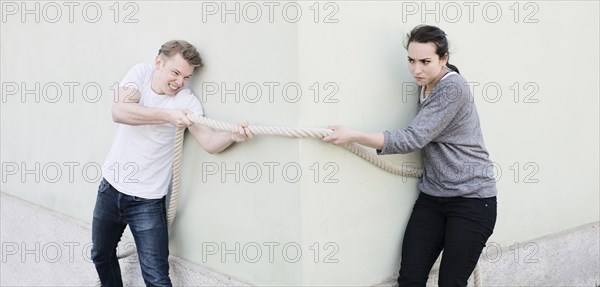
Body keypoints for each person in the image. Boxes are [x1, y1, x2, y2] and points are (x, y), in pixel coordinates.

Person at [322, 25, 497, 286]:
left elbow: (413, 138)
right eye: (411, 60)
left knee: (450, 282)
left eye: (425, 61)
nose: (416, 70)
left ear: (444, 59)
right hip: (433, 197)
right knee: (410, 279)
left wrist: (354, 135)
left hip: (471, 201)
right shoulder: (426, 83)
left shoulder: (452, 88)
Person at [91, 40, 253, 286]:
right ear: (159, 62)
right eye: (175, 73)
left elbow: (208, 141)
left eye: (186, 77)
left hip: (147, 201)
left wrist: (232, 136)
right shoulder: (140, 74)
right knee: (101, 255)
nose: (179, 82)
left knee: (156, 277)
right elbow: (120, 111)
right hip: (110, 189)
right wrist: (167, 116)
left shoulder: (186, 102)